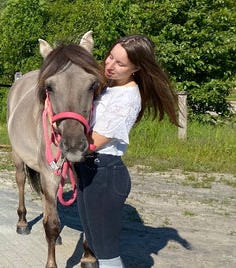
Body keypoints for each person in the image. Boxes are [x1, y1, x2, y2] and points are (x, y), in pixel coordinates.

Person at [76, 34, 181, 267]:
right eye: (110, 57)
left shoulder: (128, 97)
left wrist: (64, 146)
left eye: (120, 63)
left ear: (136, 68)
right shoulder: (108, 87)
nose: (110, 65)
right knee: (94, 241)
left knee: (106, 252)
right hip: (87, 172)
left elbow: (93, 142)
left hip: (104, 175)